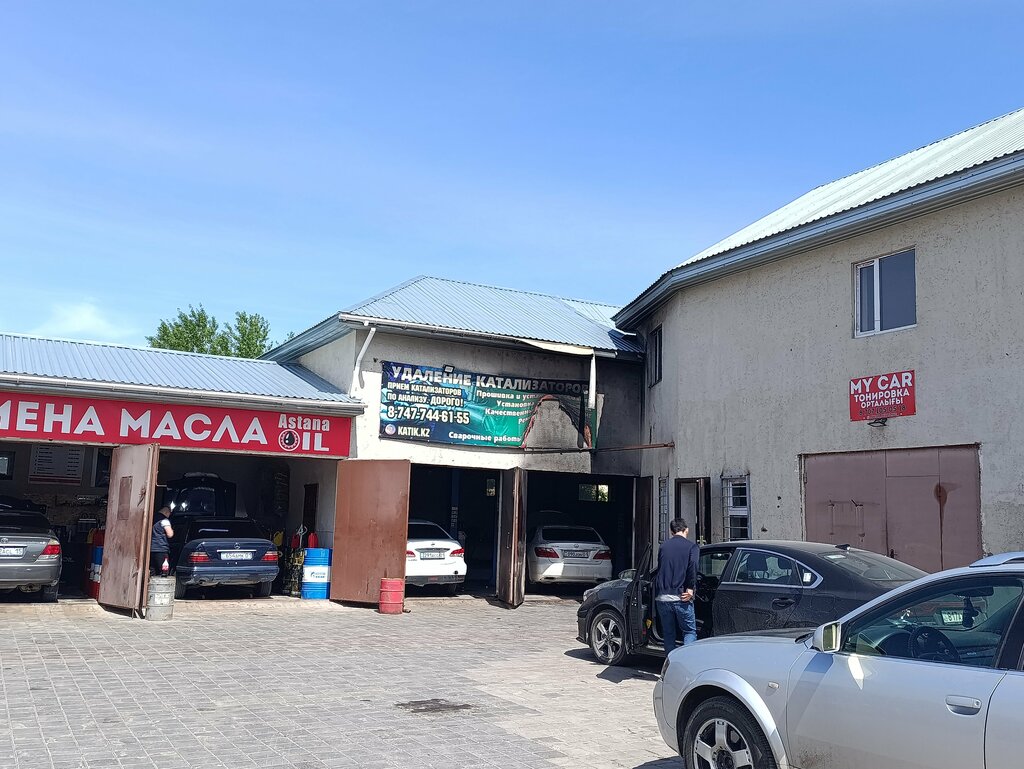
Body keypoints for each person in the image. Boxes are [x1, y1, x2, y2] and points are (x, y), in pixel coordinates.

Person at [654, 517, 700, 652]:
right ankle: (686, 661)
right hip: (681, 596)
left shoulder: (663, 547)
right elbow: (693, 567)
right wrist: (690, 588)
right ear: (687, 530)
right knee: (689, 632)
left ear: (671, 531)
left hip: (662, 597)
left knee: (668, 634)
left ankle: (670, 662)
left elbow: (660, 569)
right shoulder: (692, 547)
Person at [150, 506, 174, 576]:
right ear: (167, 512)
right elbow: (170, 534)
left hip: (151, 549)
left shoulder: (152, 518)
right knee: (163, 572)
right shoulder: (164, 520)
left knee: (152, 570)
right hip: (161, 549)